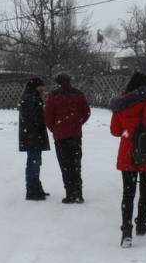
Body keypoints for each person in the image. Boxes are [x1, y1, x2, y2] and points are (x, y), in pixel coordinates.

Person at [108, 71, 146, 248]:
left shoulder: (121, 103)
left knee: (128, 193)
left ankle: (126, 231)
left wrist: (128, 131)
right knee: (145, 189)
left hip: (128, 152)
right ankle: (141, 223)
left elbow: (115, 131)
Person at [43, 73, 91, 204]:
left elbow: (47, 115)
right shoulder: (78, 94)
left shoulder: (54, 96)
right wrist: (78, 122)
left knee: (65, 165)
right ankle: (78, 193)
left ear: (58, 82)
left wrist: (54, 128)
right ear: (70, 81)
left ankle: (70, 193)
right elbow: (86, 112)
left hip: (61, 136)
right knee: (76, 164)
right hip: (75, 135)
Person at [18, 77, 50, 201]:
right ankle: (32, 190)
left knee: (35, 162)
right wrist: (45, 117)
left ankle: (36, 188)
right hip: (33, 136)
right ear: (37, 86)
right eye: (42, 86)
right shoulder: (31, 98)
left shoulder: (30, 96)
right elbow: (35, 116)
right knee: (33, 163)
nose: (44, 88)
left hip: (31, 135)